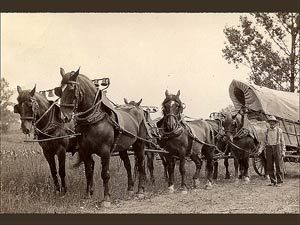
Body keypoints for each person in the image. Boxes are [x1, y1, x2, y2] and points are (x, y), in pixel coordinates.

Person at [264, 115, 286, 187]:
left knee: (278, 165)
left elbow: (283, 142)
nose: (272, 123)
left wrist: (283, 151)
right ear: (269, 123)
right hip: (269, 148)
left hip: (277, 148)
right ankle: (273, 181)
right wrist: (260, 150)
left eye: (273, 122)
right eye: (270, 122)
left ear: (275, 123)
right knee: (269, 166)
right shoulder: (267, 131)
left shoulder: (279, 131)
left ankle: (279, 181)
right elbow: (264, 142)